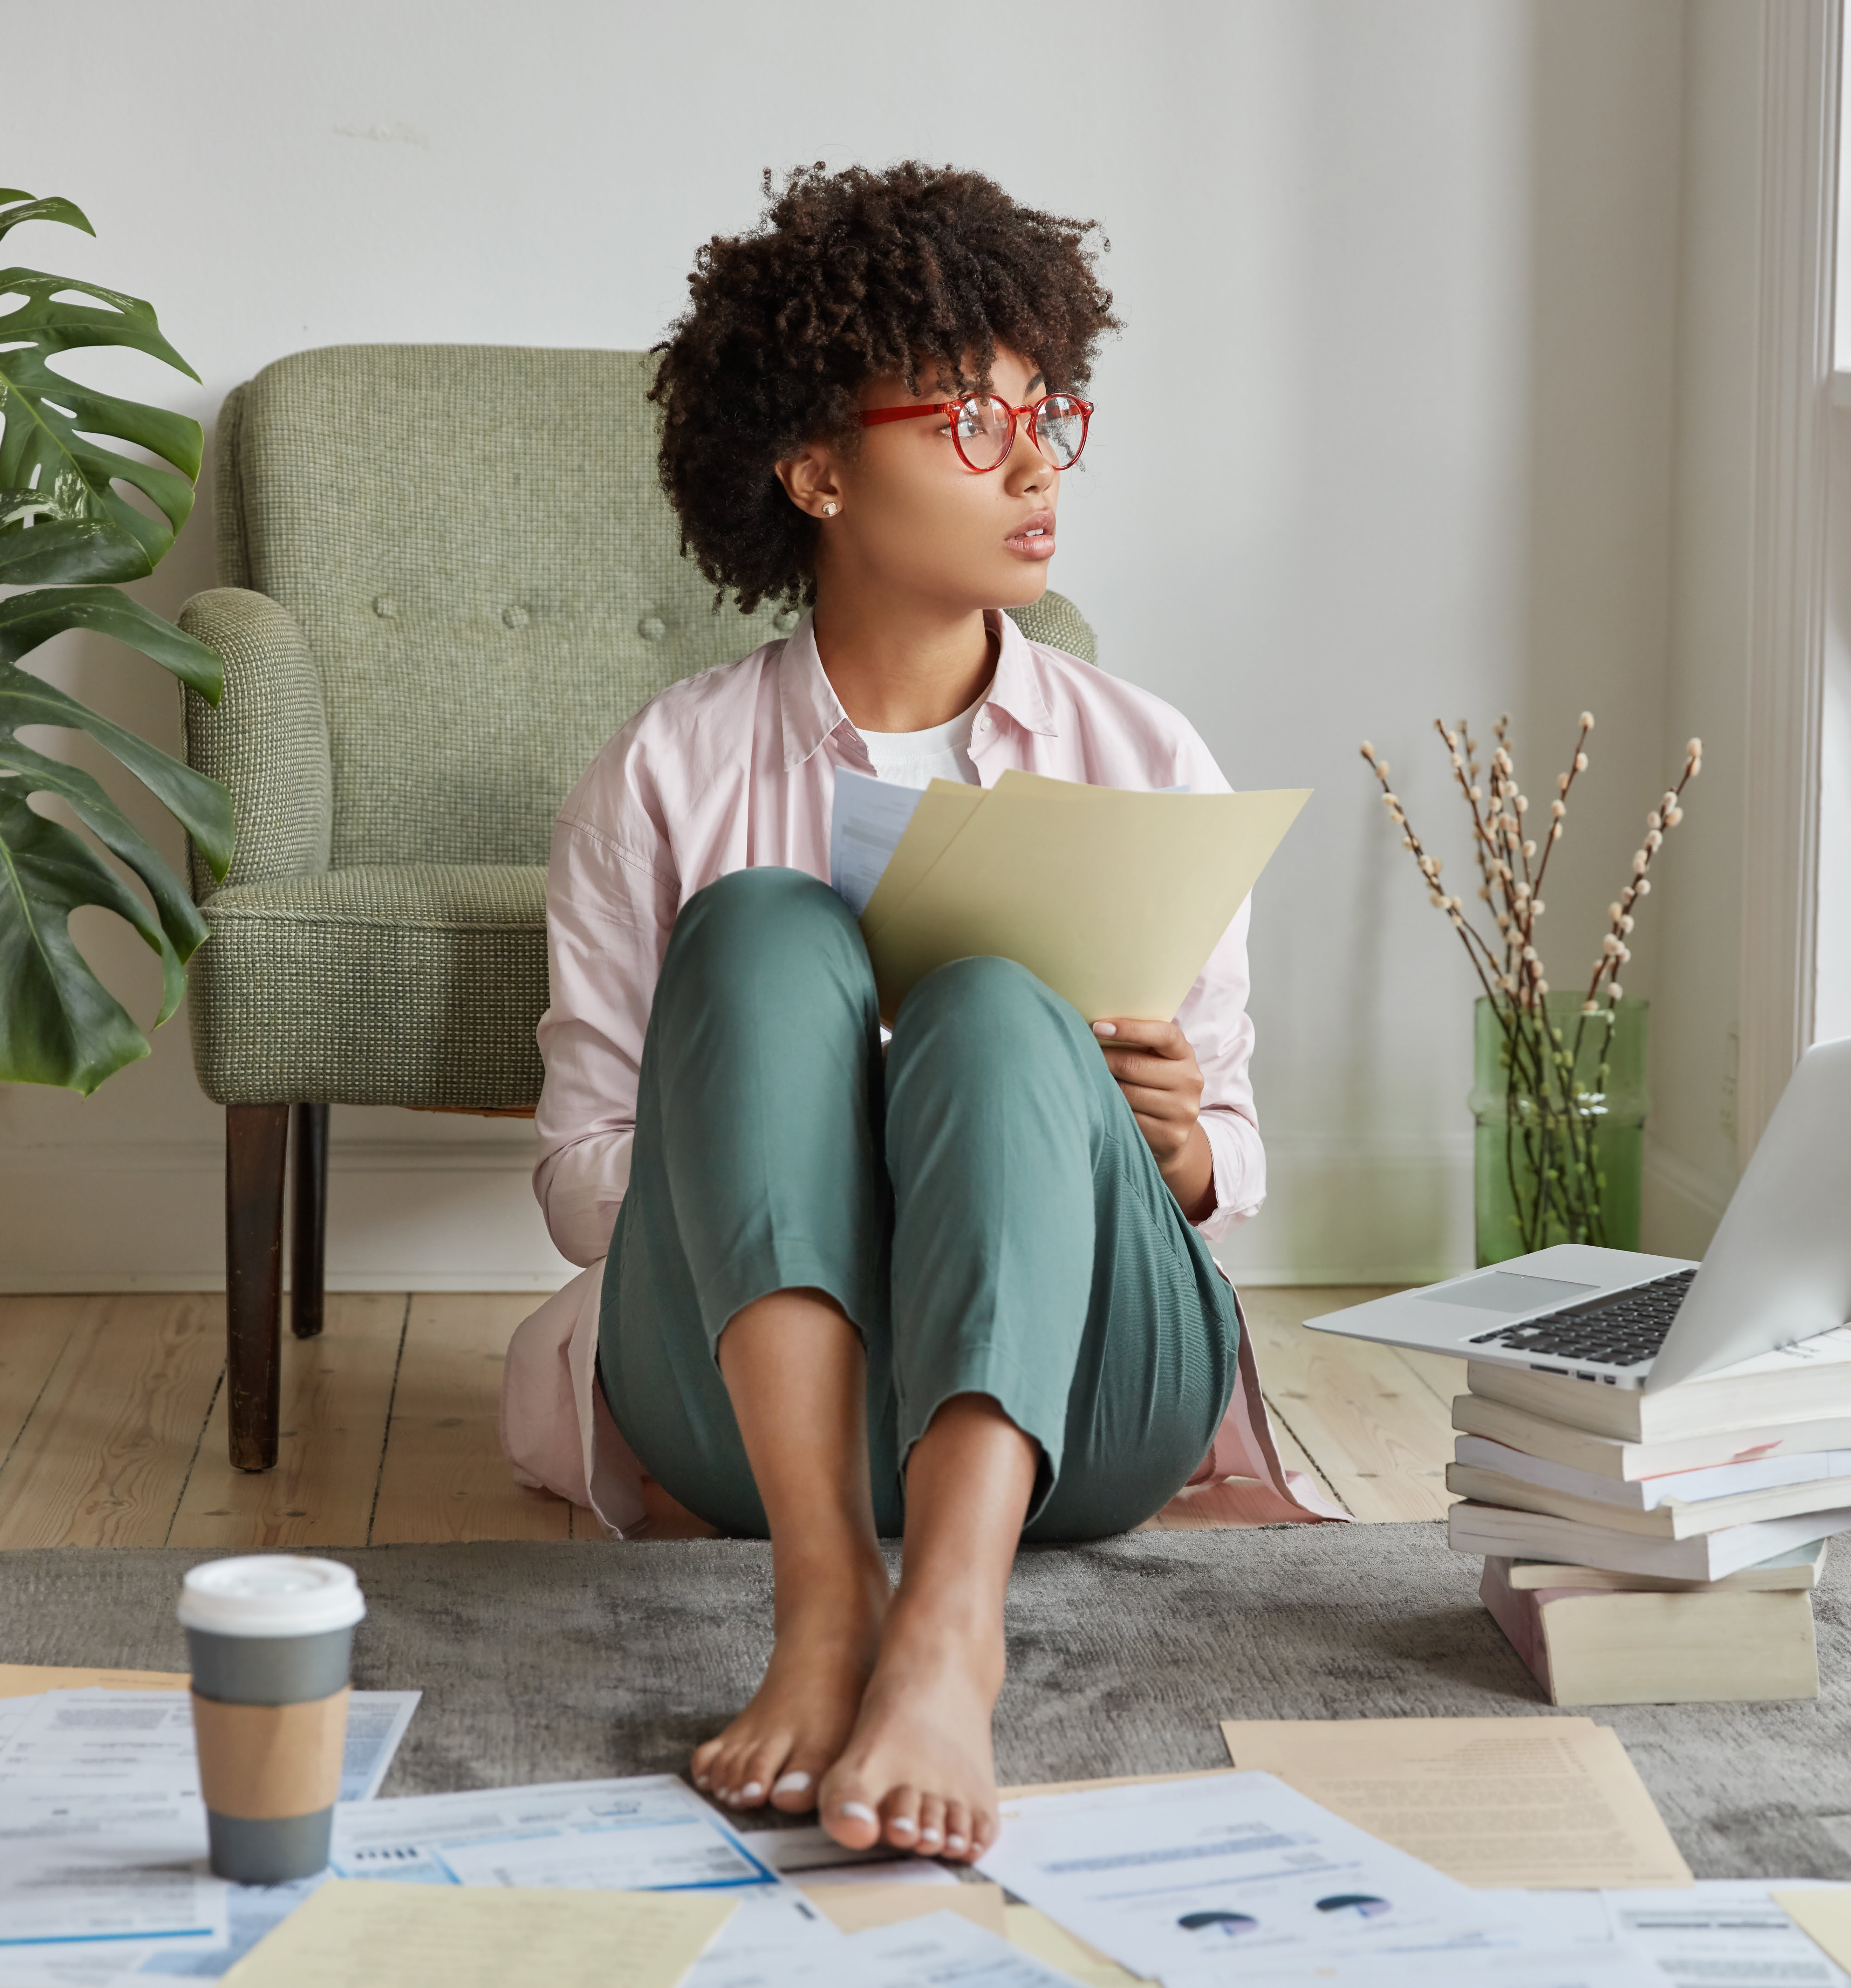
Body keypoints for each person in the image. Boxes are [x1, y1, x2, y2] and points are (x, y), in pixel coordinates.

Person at [498, 162, 1334, 1872]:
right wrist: (780, 1111)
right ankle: (823, 1605)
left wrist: (1172, 1148)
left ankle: (950, 1633)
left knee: (994, 1006)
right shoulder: (663, 772)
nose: (1033, 464)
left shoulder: (1144, 755)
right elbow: (586, 1186)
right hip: (746, 1415)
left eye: (1048, 414)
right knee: (760, 936)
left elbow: (1234, 1163)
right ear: (814, 471)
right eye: (968, 419)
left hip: (1081, 1409)